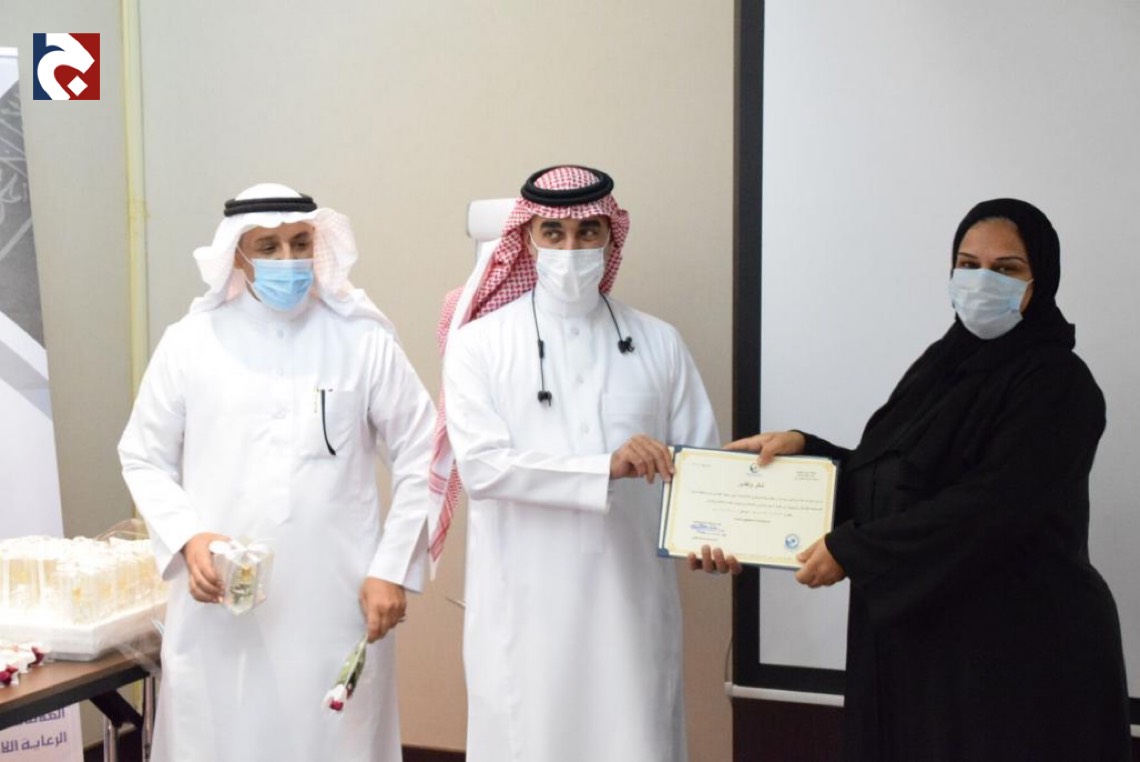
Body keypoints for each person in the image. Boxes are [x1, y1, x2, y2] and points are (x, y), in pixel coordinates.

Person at [720, 199, 1131, 760]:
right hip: (928, 653)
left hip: (1018, 660)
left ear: (1042, 280)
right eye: (968, 264)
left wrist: (856, 550)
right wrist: (806, 454)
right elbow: (899, 475)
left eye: (1007, 268)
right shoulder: (940, 366)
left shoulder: (1059, 383)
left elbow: (993, 506)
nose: (982, 281)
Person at [118, 184, 437, 761]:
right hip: (221, 607)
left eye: (300, 243)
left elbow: (426, 454)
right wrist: (188, 538)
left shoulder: (361, 340)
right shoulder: (190, 343)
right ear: (237, 255)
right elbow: (143, 454)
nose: (288, 259)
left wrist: (392, 569)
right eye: (268, 246)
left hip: (337, 600)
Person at [432, 165, 718, 761]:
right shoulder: (478, 343)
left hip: (630, 606)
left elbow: (701, 468)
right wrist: (604, 467)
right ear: (526, 237)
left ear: (611, 237)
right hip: (524, 609)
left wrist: (716, 533)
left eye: (589, 231)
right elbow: (482, 468)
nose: (571, 249)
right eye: (554, 233)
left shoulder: (659, 341)